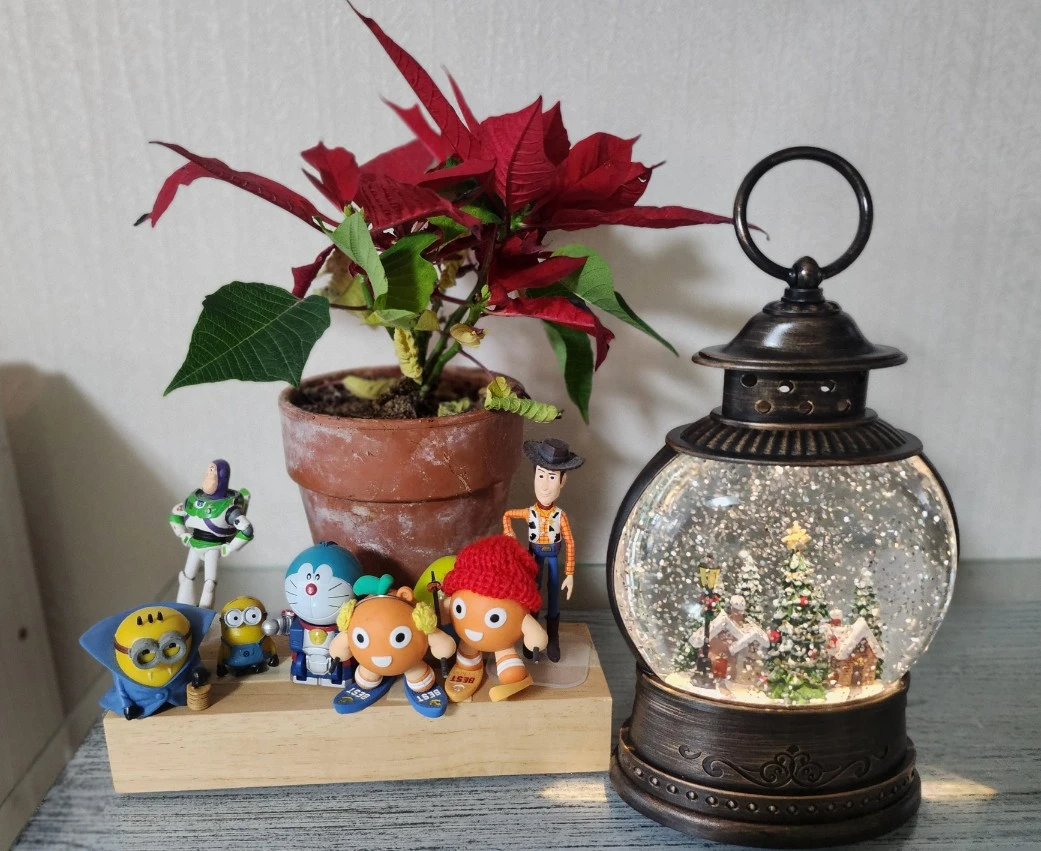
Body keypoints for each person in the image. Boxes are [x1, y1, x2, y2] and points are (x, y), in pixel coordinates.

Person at [502, 438, 584, 662]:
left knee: (554, 591)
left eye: (552, 477)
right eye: (540, 475)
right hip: (534, 557)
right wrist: (509, 534)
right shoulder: (529, 513)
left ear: (563, 481)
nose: (545, 485)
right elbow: (507, 516)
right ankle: (533, 632)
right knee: (533, 591)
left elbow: (570, 542)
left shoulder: (560, 516)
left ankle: (553, 636)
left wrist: (570, 573)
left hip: (553, 556)